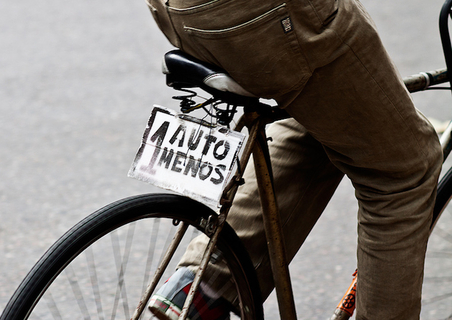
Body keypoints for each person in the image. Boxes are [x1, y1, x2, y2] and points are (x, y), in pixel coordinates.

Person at [144, 0, 443, 319]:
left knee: (335, 108)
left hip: (181, 13)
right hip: (258, 16)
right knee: (404, 171)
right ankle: (210, 285)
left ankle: (205, 287)